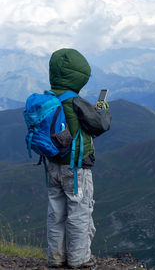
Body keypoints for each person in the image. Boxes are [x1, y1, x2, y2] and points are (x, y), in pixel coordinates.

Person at [47, 48, 111, 269]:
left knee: (56, 212)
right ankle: (79, 260)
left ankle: (56, 259)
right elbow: (100, 125)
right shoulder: (75, 101)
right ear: (78, 75)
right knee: (79, 211)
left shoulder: (48, 99)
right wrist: (103, 110)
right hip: (75, 169)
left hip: (51, 166)